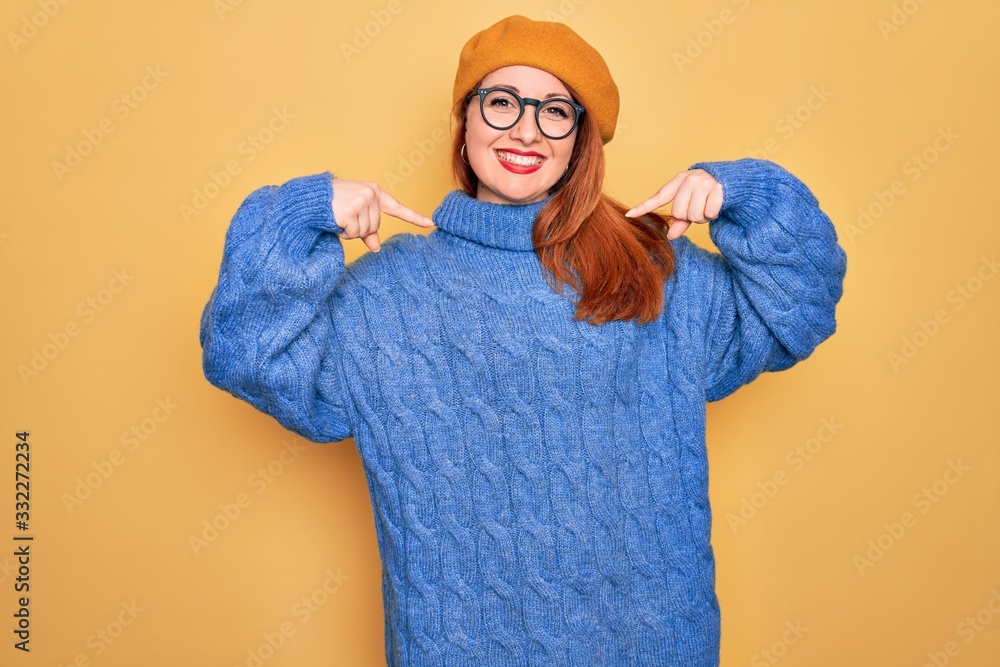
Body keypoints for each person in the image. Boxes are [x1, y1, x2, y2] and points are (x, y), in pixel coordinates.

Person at [199, 14, 847, 667]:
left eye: (555, 111)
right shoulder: (387, 297)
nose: (526, 129)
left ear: (580, 141)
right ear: (466, 122)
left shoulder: (650, 272)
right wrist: (298, 217)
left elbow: (797, 310)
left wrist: (748, 194)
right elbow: (246, 355)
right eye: (502, 102)